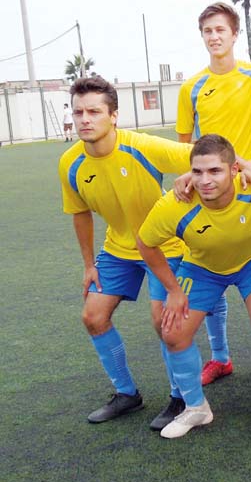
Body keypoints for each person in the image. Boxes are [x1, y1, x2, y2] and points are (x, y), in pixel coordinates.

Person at [137, 134, 251, 443]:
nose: (204, 180)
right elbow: (146, 243)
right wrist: (173, 290)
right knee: (172, 332)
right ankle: (196, 407)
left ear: (234, 170)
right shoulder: (177, 202)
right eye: (197, 172)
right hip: (202, 267)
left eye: (214, 171)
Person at [58, 76, 192, 428]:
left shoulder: (142, 146)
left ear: (113, 116)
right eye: (78, 112)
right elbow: (80, 214)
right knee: (93, 316)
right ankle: (126, 394)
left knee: (163, 323)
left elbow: (206, 153)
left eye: (94, 112)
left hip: (165, 247)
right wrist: (89, 265)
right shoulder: (70, 163)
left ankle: (181, 399)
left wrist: (193, 174)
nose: (84, 119)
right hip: (118, 248)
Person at [176, 1, 251, 386]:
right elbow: (185, 145)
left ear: (235, 34)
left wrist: (248, 163)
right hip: (207, 191)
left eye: (221, 30)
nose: (214, 37)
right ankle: (220, 358)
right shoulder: (192, 87)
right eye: (207, 31)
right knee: (208, 268)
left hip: (249, 193)